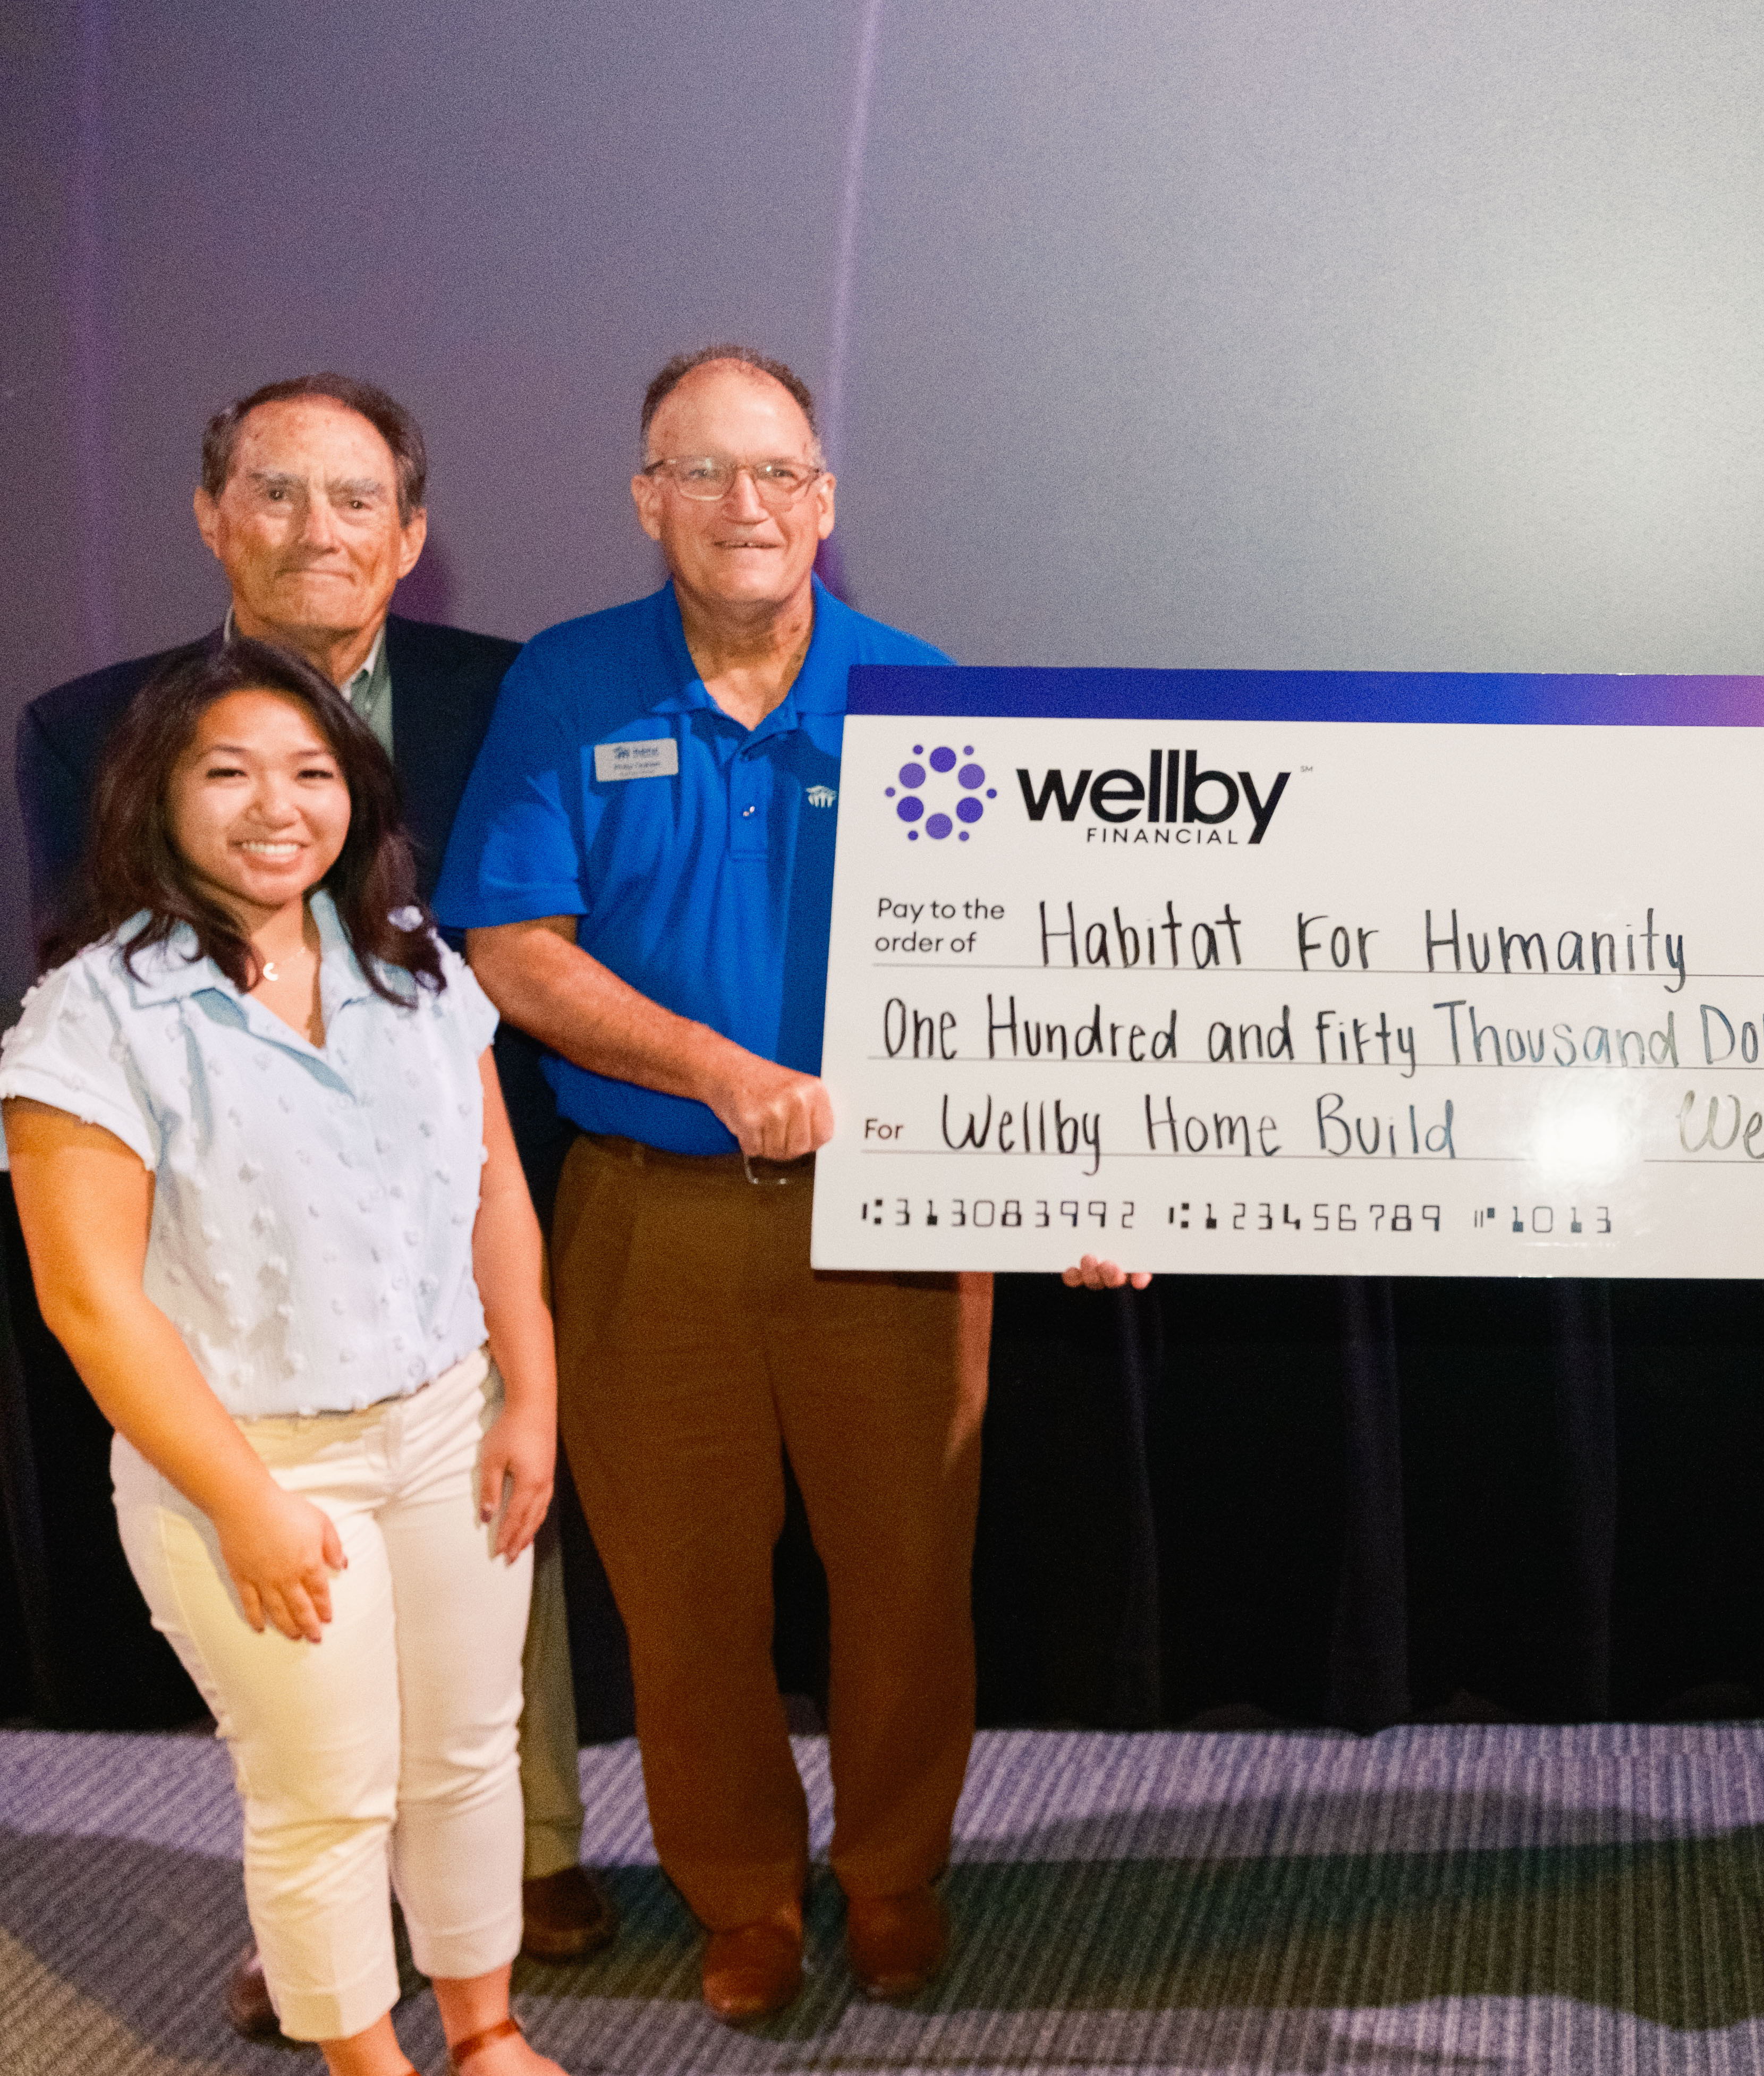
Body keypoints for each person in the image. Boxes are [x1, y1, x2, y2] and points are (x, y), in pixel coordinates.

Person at [435, 343, 1137, 2024]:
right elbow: (515, 950)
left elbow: (1033, 980)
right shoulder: (566, 685)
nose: (742, 505)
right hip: (645, 1213)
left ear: (824, 502)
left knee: (906, 1574)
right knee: (684, 1596)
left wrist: (1080, 1177)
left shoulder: (927, 697)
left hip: (895, 1219)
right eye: (701, 471)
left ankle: (890, 1872)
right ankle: (738, 1892)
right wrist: (715, 1070)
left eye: (776, 473)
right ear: (646, 499)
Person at [11, 375, 615, 2045]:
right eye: (274, 493)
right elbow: (91, 1293)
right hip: (249, 1422)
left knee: (467, 1736)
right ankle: (355, 2019)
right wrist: (243, 1495)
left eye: (355, 500)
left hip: (446, 1365)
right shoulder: (91, 996)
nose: (277, 805)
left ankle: (484, 2016)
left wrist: (529, 1385)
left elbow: (494, 1165)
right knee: (325, 1780)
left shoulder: (417, 962)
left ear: (409, 534)